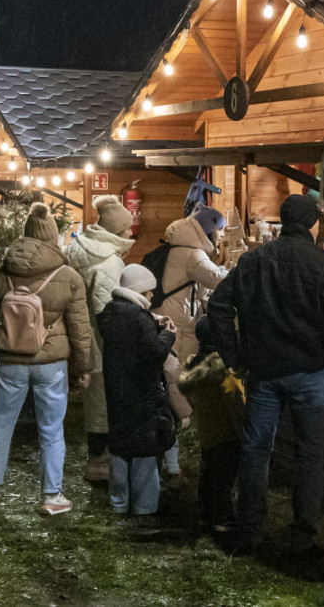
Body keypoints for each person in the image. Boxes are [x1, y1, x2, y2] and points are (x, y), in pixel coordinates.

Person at [209, 194, 324, 554]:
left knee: (256, 451)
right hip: (311, 372)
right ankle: (302, 534)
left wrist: (233, 357)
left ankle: (250, 527)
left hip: (263, 372)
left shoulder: (253, 261)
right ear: (313, 225)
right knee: (310, 456)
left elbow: (218, 305)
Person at [0, 202, 92, 515]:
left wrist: (13, 335)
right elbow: (80, 332)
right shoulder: (69, 277)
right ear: (54, 236)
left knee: (0, 424)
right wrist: (82, 368)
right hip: (52, 364)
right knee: (51, 429)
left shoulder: (4, 271)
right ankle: (52, 497)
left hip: (10, 362)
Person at [153, 202, 229, 488]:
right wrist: (243, 269)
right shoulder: (193, 254)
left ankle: (167, 466)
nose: (221, 236)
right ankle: (170, 469)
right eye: (220, 230)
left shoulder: (180, 247)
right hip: (180, 328)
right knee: (175, 395)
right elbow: (216, 278)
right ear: (208, 228)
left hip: (171, 320)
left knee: (169, 392)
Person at [64, 195, 136, 483]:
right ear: (117, 231)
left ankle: (99, 459)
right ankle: (99, 462)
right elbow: (110, 313)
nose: (132, 233)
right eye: (128, 228)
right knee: (104, 405)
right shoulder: (106, 263)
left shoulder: (81, 250)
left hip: (82, 338)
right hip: (102, 345)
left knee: (96, 403)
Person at [96, 264, 176, 517]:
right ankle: (144, 507)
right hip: (142, 391)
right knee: (144, 447)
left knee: (120, 446)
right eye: (149, 291)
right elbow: (155, 354)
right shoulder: (139, 318)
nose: (152, 297)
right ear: (140, 290)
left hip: (117, 390)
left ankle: (118, 504)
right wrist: (167, 336)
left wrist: (153, 324)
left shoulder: (110, 314)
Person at [178, 316, 245, 533]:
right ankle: (222, 519)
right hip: (227, 432)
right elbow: (237, 403)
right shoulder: (224, 371)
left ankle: (205, 514)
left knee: (208, 473)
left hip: (207, 431)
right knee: (224, 478)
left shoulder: (196, 367)